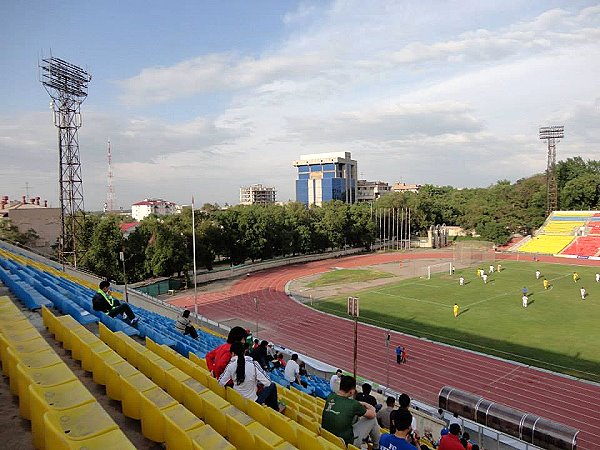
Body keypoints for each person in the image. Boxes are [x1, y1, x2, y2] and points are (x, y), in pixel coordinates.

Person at [218, 341, 283, 412]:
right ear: (244, 351)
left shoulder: (230, 366)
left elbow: (220, 382)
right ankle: (275, 409)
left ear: (233, 353)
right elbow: (268, 383)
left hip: (237, 399)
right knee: (272, 385)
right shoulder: (253, 364)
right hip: (252, 403)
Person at [321, 375, 380, 448]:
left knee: (352, 415)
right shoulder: (353, 404)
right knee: (373, 420)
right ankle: (376, 447)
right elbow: (373, 414)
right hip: (346, 442)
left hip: (327, 436)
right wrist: (368, 405)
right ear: (352, 391)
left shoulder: (330, 396)